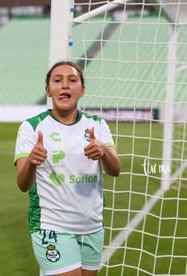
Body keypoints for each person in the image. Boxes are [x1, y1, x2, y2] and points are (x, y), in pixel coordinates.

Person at [14, 61, 121, 276]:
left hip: (92, 225)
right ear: (48, 90)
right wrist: (32, 162)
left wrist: (104, 151)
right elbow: (23, 185)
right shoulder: (32, 127)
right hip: (51, 225)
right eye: (57, 80)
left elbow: (115, 169)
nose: (64, 85)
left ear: (82, 90)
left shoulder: (97, 125)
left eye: (72, 80)